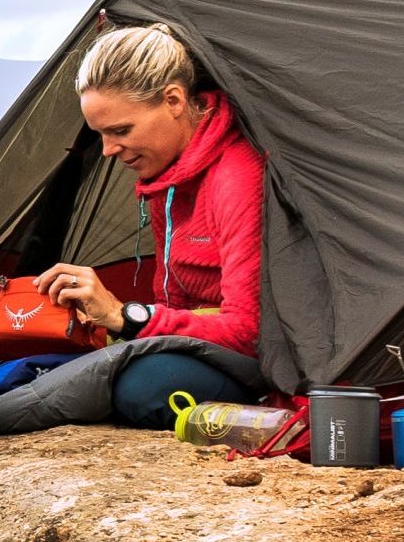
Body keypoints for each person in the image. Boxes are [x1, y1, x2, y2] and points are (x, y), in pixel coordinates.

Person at [21, 22, 266, 429]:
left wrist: (127, 317)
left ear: (173, 99)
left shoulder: (236, 177)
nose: (109, 149)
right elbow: (176, 306)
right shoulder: (166, 178)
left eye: (120, 130)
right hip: (194, 347)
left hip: (251, 360)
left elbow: (249, 331)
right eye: (100, 133)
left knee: (144, 388)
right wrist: (104, 322)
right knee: (44, 365)